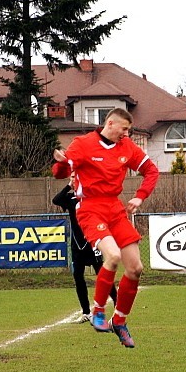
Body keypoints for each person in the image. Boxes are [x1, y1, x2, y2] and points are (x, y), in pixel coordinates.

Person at [52, 108, 159, 348]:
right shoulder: (84, 144)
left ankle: (119, 320)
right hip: (90, 208)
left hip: (115, 209)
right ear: (110, 124)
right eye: (124, 129)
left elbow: (151, 170)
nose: (127, 134)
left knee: (135, 267)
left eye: (128, 130)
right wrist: (60, 163)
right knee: (112, 256)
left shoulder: (127, 147)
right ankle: (98, 311)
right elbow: (61, 171)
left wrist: (140, 196)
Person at [52, 174, 117, 323]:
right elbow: (56, 200)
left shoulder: (90, 196)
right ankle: (86, 312)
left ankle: (117, 302)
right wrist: (69, 185)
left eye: (76, 177)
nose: (74, 179)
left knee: (103, 275)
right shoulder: (70, 199)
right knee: (78, 278)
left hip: (92, 242)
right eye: (72, 177)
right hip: (77, 245)